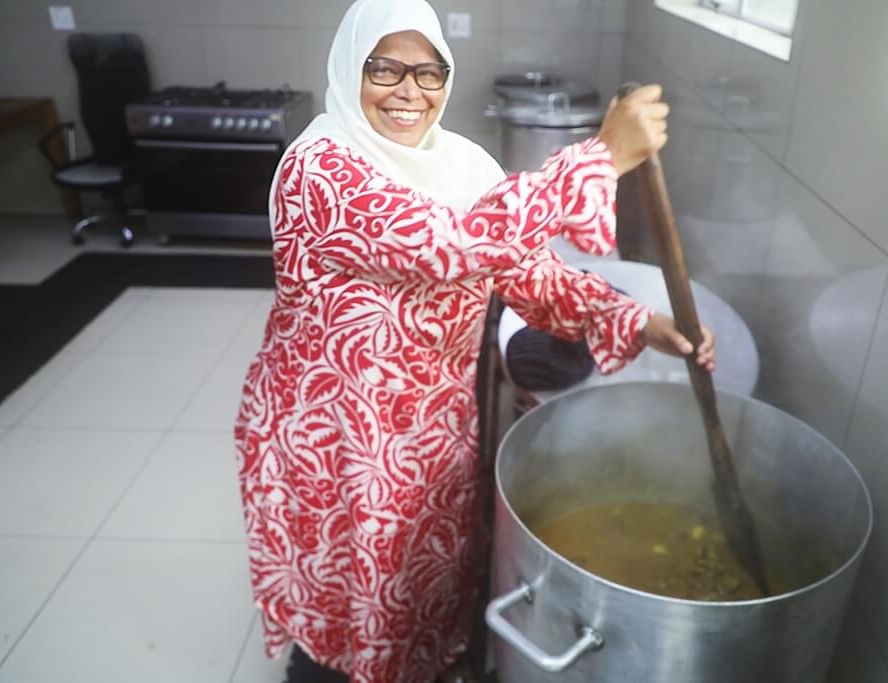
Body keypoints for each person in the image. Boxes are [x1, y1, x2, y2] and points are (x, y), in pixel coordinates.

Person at [234, 1, 715, 681]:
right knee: (351, 601)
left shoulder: (461, 167)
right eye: (386, 68)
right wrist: (601, 157)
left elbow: (527, 272)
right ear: (350, 69)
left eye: (429, 73)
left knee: (417, 588)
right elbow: (448, 245)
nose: (410, 91)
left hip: (429, 433)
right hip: (337, 440)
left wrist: (633, 319)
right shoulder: (319, 171)